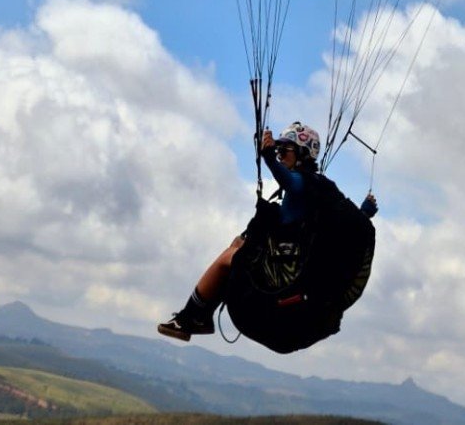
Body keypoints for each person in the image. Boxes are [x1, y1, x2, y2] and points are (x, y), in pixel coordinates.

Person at [157, 121, 377, 342]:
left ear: (302, 154)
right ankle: (203, 315)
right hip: (301, 304)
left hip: (286, 294)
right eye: (278, 150)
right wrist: (363, 213)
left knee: (228, 258)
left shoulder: (302, 185)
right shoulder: (320, 193)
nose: (280, 155)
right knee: (238, 244)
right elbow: (334, 230)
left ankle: (190, 317)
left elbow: (291, 182)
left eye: (285, 150)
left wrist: (269, 157)